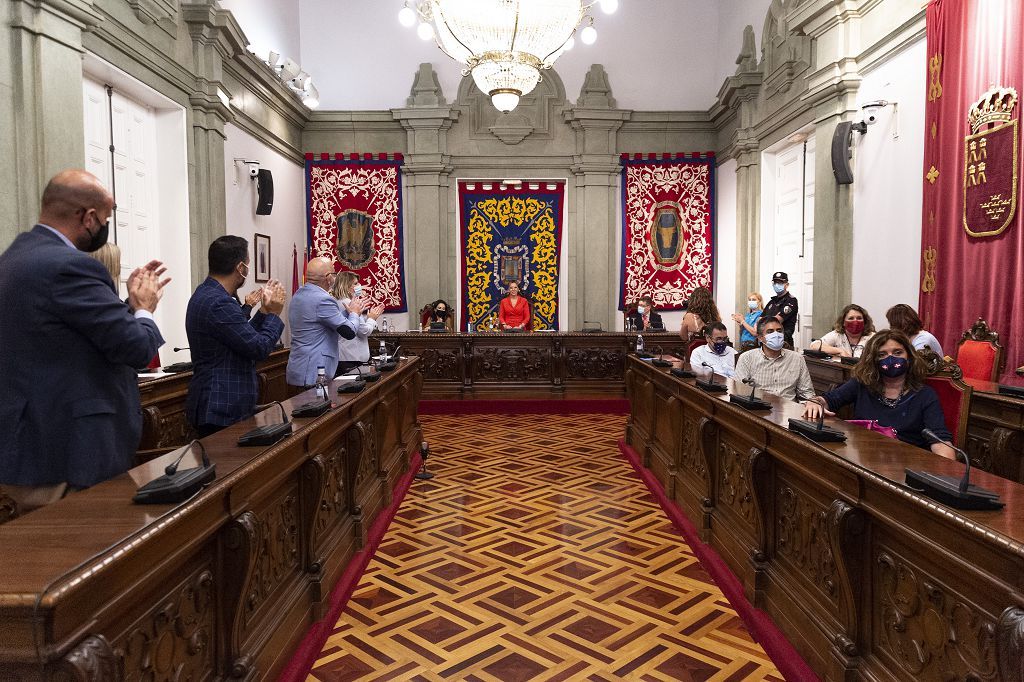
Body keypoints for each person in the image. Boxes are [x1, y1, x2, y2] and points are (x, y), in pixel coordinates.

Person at [0, 169, 168, 511]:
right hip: (68, 452)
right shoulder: (70, 266)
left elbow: (72, 334)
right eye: (105, 218)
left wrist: (125, 307)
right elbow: (136, 348)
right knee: (77, 557)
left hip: (28, 445)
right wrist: (144, 310)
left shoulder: (15, 258)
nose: (104, 227)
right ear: (89, 218)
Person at [186, 236, 286, 437]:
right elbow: (258, 348)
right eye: (247, 265)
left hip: (217, 401)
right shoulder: (219, 302)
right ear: (241, 267)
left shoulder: (206, 293)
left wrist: (264, 311)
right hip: (221, 404)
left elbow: (240, 335)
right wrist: (275, 314)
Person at [802, 330, 956, 459]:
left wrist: (946, 468)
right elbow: (829, 399)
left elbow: (940, 441)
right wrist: (816, 402)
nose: (890, 359)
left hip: (904, 466)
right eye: (882, 354)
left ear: (909, 356)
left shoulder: (924, 395)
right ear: (873, 360)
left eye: (897, 352)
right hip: (862, 461)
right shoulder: (861, 384)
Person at [286, 258, 368, 388]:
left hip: (298, 366)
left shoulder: (298, 294)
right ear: (328, 277)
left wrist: (348, 313)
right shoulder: (323, 299)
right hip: (314, 372)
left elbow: (323, 322)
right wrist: (355, 313)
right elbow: (349, 332)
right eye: (334, 274)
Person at [734, 316, 816, 401]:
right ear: (760, 337)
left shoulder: (797, 358)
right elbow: (740, 390)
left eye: (779, 331)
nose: (776, 335)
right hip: (760, 408)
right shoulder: (747, 358)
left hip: (789, 408)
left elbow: (807, 392)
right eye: (770, 332)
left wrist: (811, 403)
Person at [332, 271, 384, 372]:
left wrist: (366, 318)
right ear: (346, 286)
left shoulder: (336, 301)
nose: (360, 286)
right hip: (352, 358)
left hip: (343, 356)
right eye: (355, 283)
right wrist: (372, 319)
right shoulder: (349, 303)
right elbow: (363, 331)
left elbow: (353, 324)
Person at [762, 271, 799, 348]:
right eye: (775, 282)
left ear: (787, 285)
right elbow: (760, 319)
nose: (777, 285)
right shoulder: (771, 302)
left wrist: (762, 324)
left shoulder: (791, 301)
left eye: (780, 282)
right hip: (767, 340)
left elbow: (776, 321)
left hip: (783, 341)